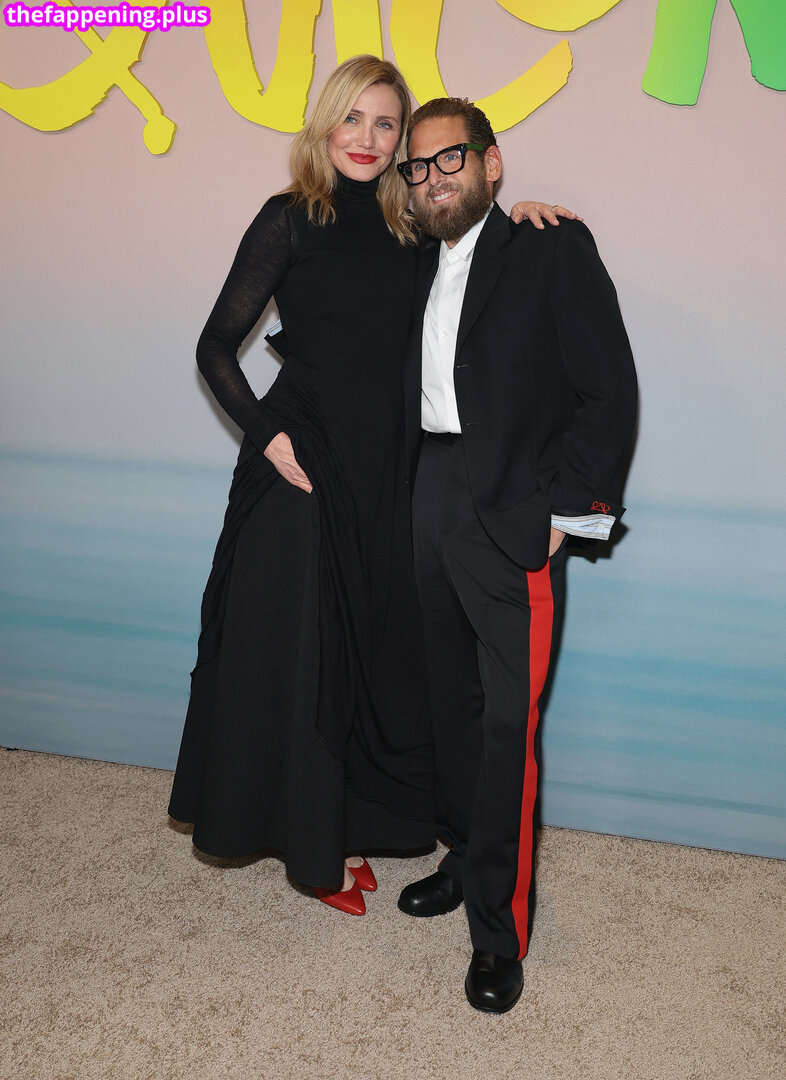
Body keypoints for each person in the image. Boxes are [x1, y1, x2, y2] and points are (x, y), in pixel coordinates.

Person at [168, 56, 574, 918]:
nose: (367, 138)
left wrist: (525, 217)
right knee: (304, 660)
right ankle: (317, 852)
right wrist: (268, 436)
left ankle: (350, 827)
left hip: (390, 475)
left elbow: (475, 253)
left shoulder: (412, 228)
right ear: (325, 126)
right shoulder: (289, 218)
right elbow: (214, 346)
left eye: (385, 124)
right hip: (302, 468)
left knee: (366, 660)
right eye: (352, 118)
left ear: (401, 145)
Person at [396, 98, 638, 1010]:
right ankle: (465, 855)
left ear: (492, 164)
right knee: (448, 703)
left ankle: (499, 933)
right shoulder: (408, 259)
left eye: (450, 158)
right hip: (426, 492)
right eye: (418, 167)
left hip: (511, 512)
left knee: (507, 727)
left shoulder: (550, 247)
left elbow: (608, 390)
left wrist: (567, 514)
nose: (433, 178)